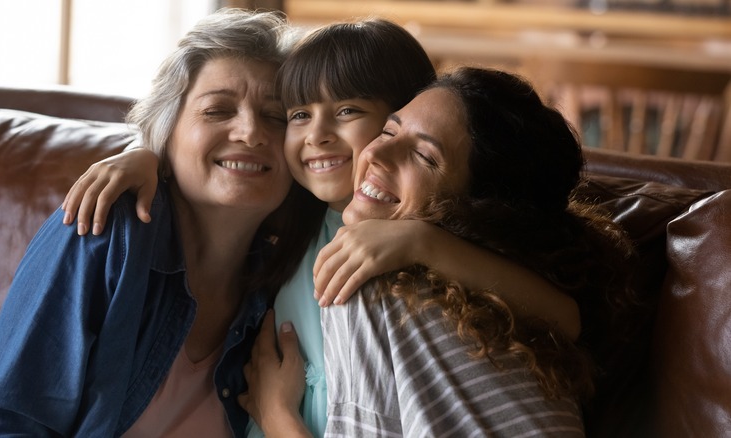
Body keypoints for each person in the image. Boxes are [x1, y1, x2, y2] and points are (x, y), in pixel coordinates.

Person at [61, 18, 585, 437]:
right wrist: (146, 155)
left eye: (350, 110)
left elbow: (566, 316)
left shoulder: (410, 265)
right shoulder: (292, 209)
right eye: (297, 115)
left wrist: (423, 242)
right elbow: (222, 170)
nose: (317, 136)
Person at [0, 8, 306, 437]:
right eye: (217, 111)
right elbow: (5, 426)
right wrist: (145, 150)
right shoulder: (102, 229)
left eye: (276, 116)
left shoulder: (287, 281)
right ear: (166, 134)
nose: (251, 132)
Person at [251, 66, 637, 436]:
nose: (375, 156)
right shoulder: (505, 298)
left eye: (424, 156)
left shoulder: (377, 285)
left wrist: (278, 417)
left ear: (481, 207)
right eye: (388, 132)